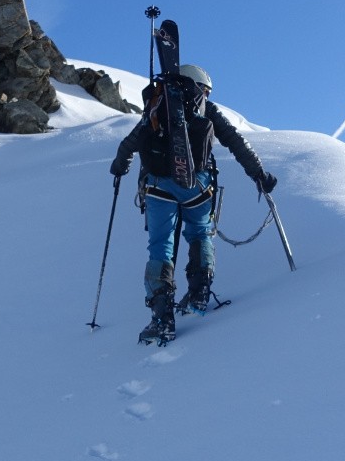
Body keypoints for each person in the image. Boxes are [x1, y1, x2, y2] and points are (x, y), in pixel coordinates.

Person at [109, 64, 277, 343]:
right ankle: (199, 294)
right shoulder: (205, 110)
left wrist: (119, 167)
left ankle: (162, 318)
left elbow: (131, 143)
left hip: (158, 186)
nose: (207, 96)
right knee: (200, 232)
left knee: (161, 246)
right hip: (198, 185)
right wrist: (258, 174)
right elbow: (236, 142)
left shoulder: (157, 104)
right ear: (200, 86)